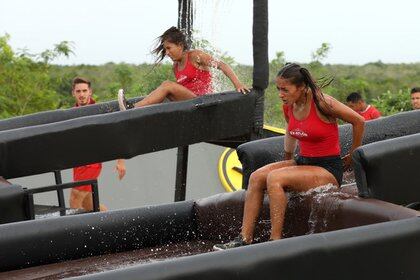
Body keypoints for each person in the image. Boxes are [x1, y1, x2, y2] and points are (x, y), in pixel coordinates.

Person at [213, 63, 365, 250]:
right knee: (256, 177)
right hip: (303, 161)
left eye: (285, 89)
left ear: (301, 88)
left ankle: (275, 242)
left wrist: (353, 154)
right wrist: (287, 159)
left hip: (327, 168)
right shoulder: (289, 105)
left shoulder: (323, 102)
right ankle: (244, 238)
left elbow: (359, 121)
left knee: (275, 179)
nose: (280, 94)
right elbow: (290, 131)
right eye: (278, 89)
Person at [118, 26, 249, 110]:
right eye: (165, 50)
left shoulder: (195, 56)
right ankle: (138, 109)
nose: (167, 53)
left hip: (202, 102)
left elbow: (222, 65)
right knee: (166, 89)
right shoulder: (175, 66)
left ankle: (133, 108)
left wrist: (238, 84)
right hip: (188, 105)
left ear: (180, 45)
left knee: (167, 85)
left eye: (169, 48)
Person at [70, 77, 126, 211]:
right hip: (78, 164)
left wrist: (121, 160)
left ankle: (75, 232)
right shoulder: (71, 112)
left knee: (74, 199)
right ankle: (112, 224)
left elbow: (116, 134)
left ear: (90, 92)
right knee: (89, 205)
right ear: (73, 93)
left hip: (91, 164)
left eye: (84, 91)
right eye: (78, 91)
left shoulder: (99, 111)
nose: (82, 94)